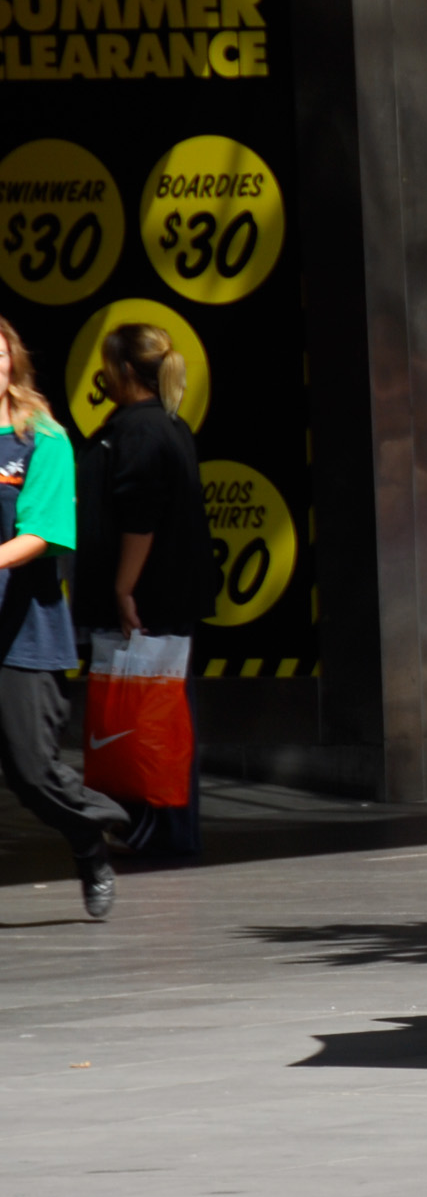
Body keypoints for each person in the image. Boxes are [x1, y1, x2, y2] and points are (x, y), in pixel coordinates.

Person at [0, 317, 126, 918]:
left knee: (30, 770)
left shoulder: (41, 438)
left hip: (20, 629)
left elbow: (44, 533)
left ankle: (91, 834)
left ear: (11, 362)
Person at [75, 324, 214, 856]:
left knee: (151, 720)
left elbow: (141, 513)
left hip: (147, 603)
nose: (101, 374)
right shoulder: (164, 425)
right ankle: (156, 830)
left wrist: (123, 588)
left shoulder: (139, 431)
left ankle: (155, 833)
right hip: (162, 603)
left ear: (126, 370)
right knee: (161, 715)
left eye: (107, 364)